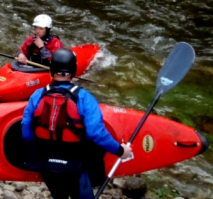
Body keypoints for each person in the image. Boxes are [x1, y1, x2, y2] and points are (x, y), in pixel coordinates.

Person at [21, 48, 133, 199]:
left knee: (58, 195)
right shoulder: (84, 98)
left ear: (51, 70)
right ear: (73, 71)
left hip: (46, 165)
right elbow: (96, 133)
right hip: (74, 167)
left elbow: (26, 132)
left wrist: (36, 156)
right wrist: (120, 151)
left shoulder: (37, 95)